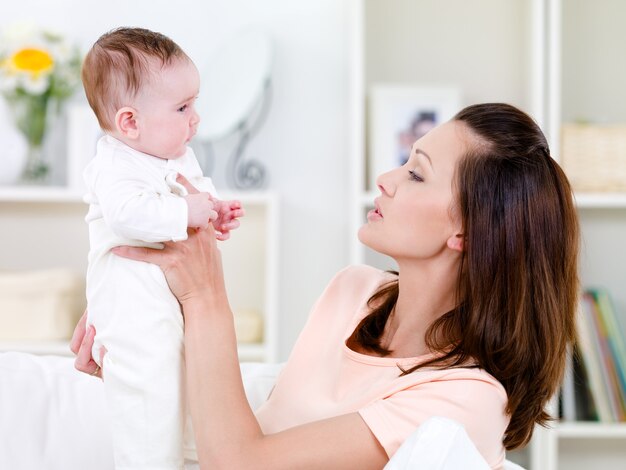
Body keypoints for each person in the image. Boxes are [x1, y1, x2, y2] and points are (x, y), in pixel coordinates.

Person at [73, 103, 580, 469]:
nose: (386, 178)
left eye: (416, 175)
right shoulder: (353, 292)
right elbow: (243, 430)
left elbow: (240, 463)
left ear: (465, 232)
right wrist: (138, 359)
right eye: (405, 161)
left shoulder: (465, 397)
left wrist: (206, 296)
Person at [79, 27, 244, 469]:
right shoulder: (113, 164)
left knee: (186, 383)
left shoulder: (175, 155)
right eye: (182, 107)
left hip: (171, 300)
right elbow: (126, 214)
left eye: (195, 104)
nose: (196, 118)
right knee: (147, 392)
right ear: (130, 122)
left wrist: (214, 210)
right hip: (131, 303)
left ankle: (187, 457)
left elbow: (195, 193)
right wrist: (186, 213)